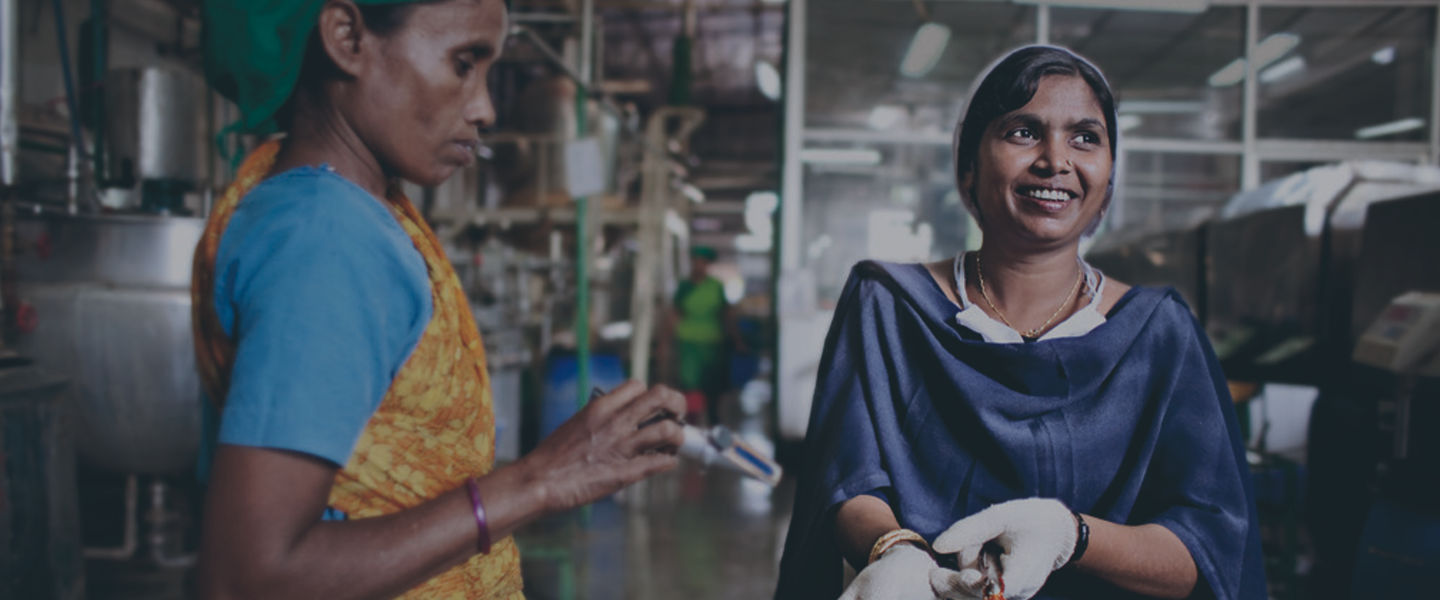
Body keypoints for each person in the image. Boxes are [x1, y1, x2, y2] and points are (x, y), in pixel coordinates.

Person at [190, 2, 686, 598]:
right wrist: (538, 481)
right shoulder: (328, 238)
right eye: (462, 63)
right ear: (346, 37)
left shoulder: (336, 209)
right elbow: (252, 578)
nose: (484, 108)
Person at [775, 46, 1265, 600]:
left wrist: (1072, 537)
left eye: (1086, 137)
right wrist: (896, 552)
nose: (1056, 159)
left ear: (1108, 181)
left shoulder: (1158, 334)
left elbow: (1208, 548)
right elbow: (847, 482)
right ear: (969, 166)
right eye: (1023, 132)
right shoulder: (889, 306)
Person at [666, 246, 748, 424]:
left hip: (712, 343)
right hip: (688, 343)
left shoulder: (716, 287)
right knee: (690, 384)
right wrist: (665, 344)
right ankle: (692, 423)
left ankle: (713, 420)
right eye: (696, 262)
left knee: (711, 386)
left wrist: (737, 340)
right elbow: (674, 315)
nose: (699, 266)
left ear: (708, 265)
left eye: (703, 262)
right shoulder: (684, 287)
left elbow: (727, 315)